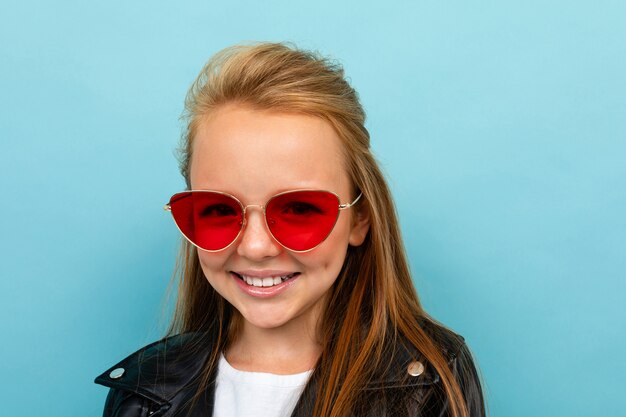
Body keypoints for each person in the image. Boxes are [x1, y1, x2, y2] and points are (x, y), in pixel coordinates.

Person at [95, 42, 486, 417]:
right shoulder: (143, 389)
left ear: (360, 218)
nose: (255, 247)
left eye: (299, 209)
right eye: (217, 209)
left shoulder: (427, 379)